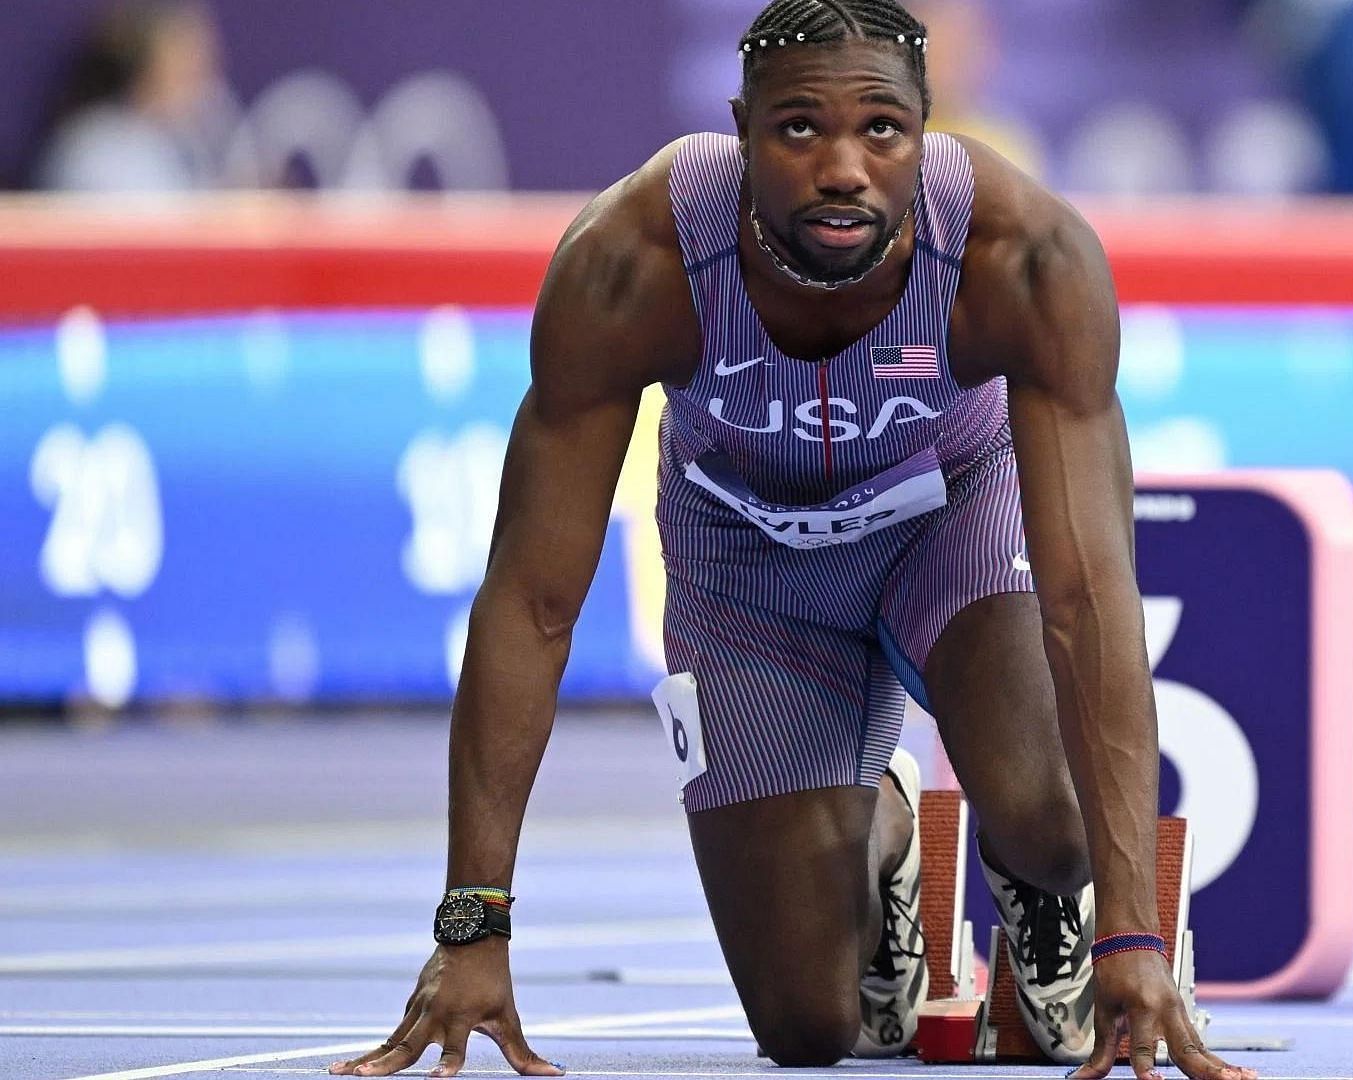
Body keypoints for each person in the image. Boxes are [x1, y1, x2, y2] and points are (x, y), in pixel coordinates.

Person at [328, 2, 1250, 1077]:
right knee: (807, 1031)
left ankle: (1045, 895)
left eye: (881, 131)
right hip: (746, 572)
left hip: (945, 525)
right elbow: (532, 604)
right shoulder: (634, 262)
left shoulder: (1022, 259)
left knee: (1052, 816)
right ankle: (891, 833)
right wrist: (472, 924)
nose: (843, 168)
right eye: (800, 130)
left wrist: (1130, 934)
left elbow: (1088, 599)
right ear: (740, 130)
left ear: (928, 129)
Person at [31, 0, 231, 193]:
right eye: (186, 70)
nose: (205, 85)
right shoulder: (94, 151)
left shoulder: (194, 144)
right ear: (146, 73)